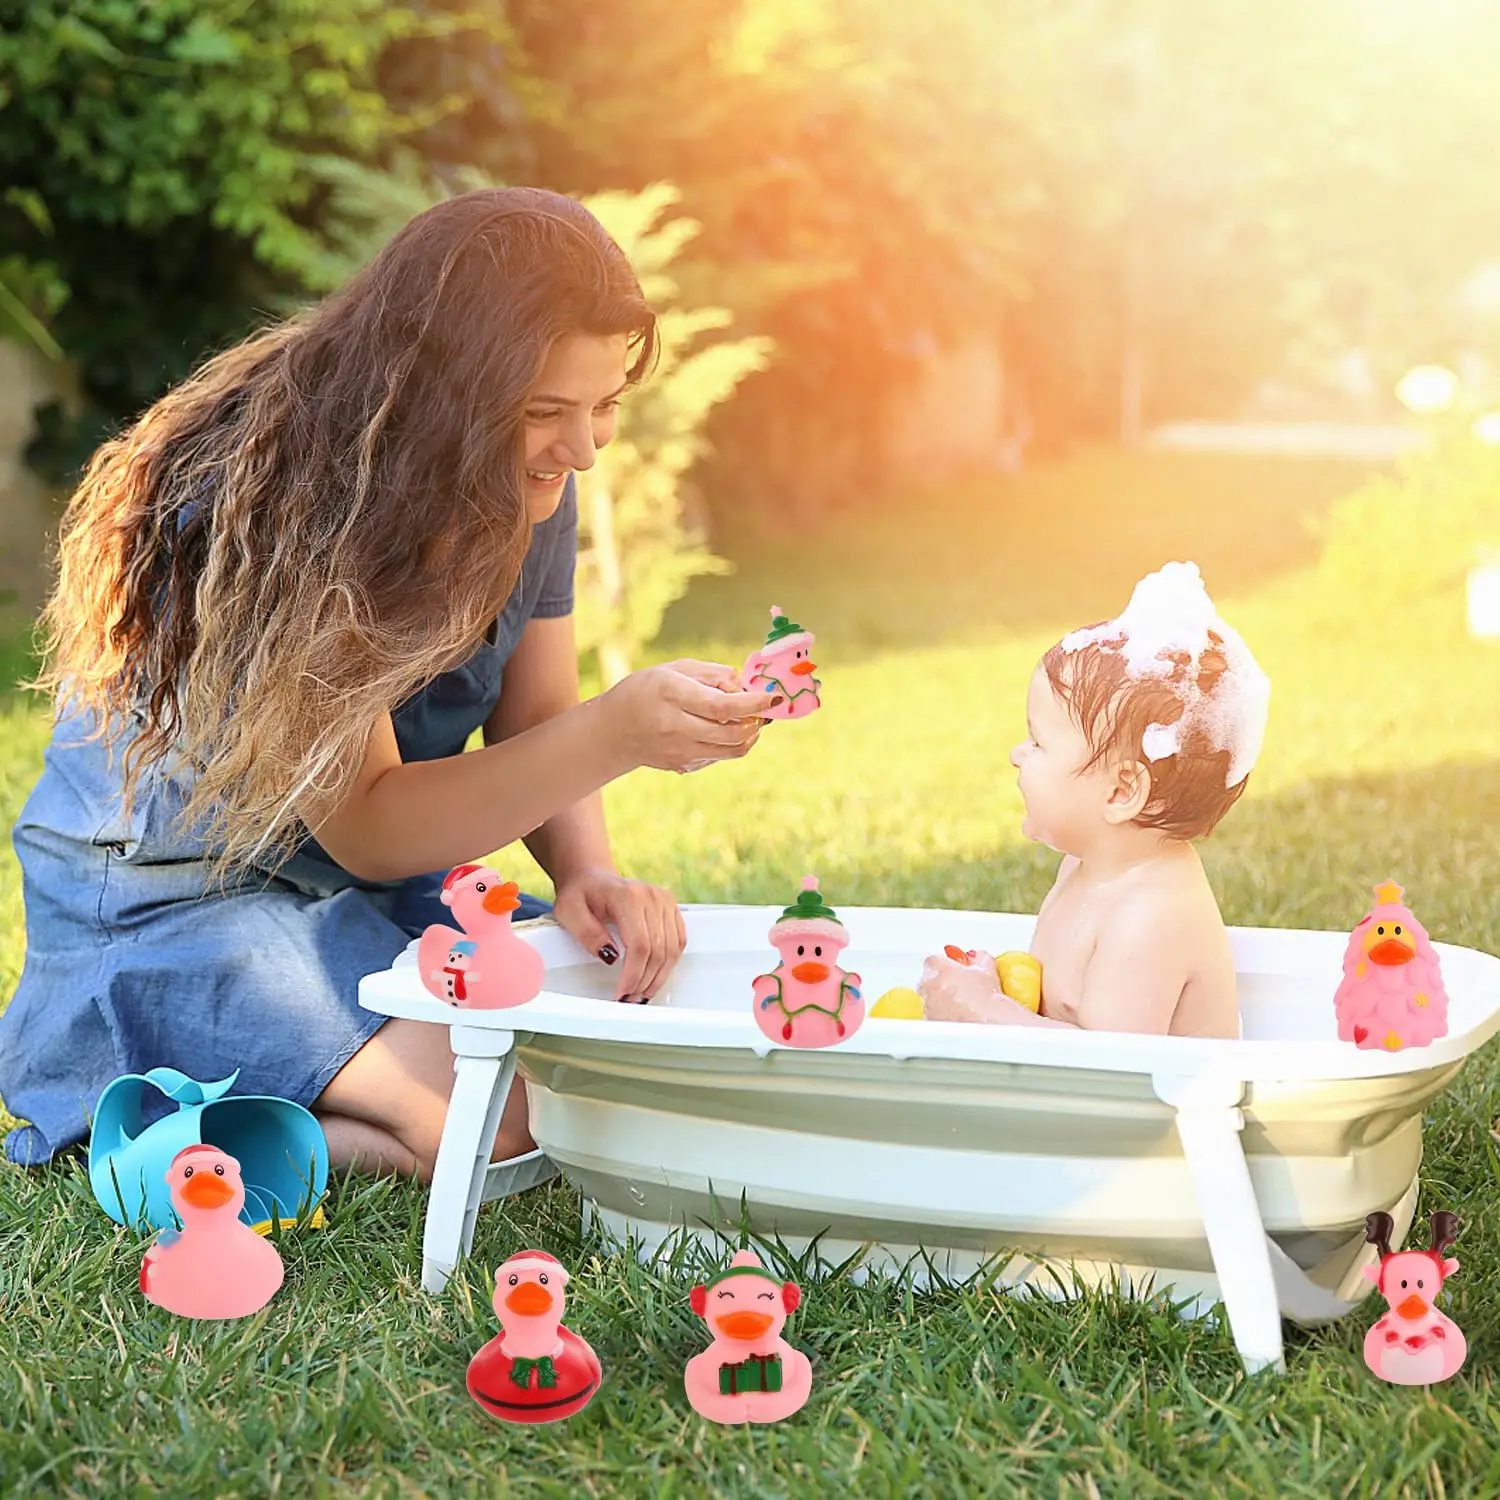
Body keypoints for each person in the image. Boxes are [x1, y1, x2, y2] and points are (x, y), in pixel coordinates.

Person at [0, 187, 778, 1179]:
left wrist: (584, 871)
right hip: (187, 898)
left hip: (357, 889)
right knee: (503, 1121)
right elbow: (370, 825)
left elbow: (532, 713)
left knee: (594, 1067)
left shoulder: (532, 480)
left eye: (604, 408)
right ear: (449, 392)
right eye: (547, 413)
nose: (582, 449)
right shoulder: (298, 504)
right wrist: (620, 732)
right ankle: (171, 1131)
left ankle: (303, 1100)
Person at [922, 561, 1270, 1038]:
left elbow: (1111, 1075)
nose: (1016, 755)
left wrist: (978, 1010)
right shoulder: (1086, 867)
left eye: (1038, 742)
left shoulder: (1149, 918)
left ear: (1122, 791)